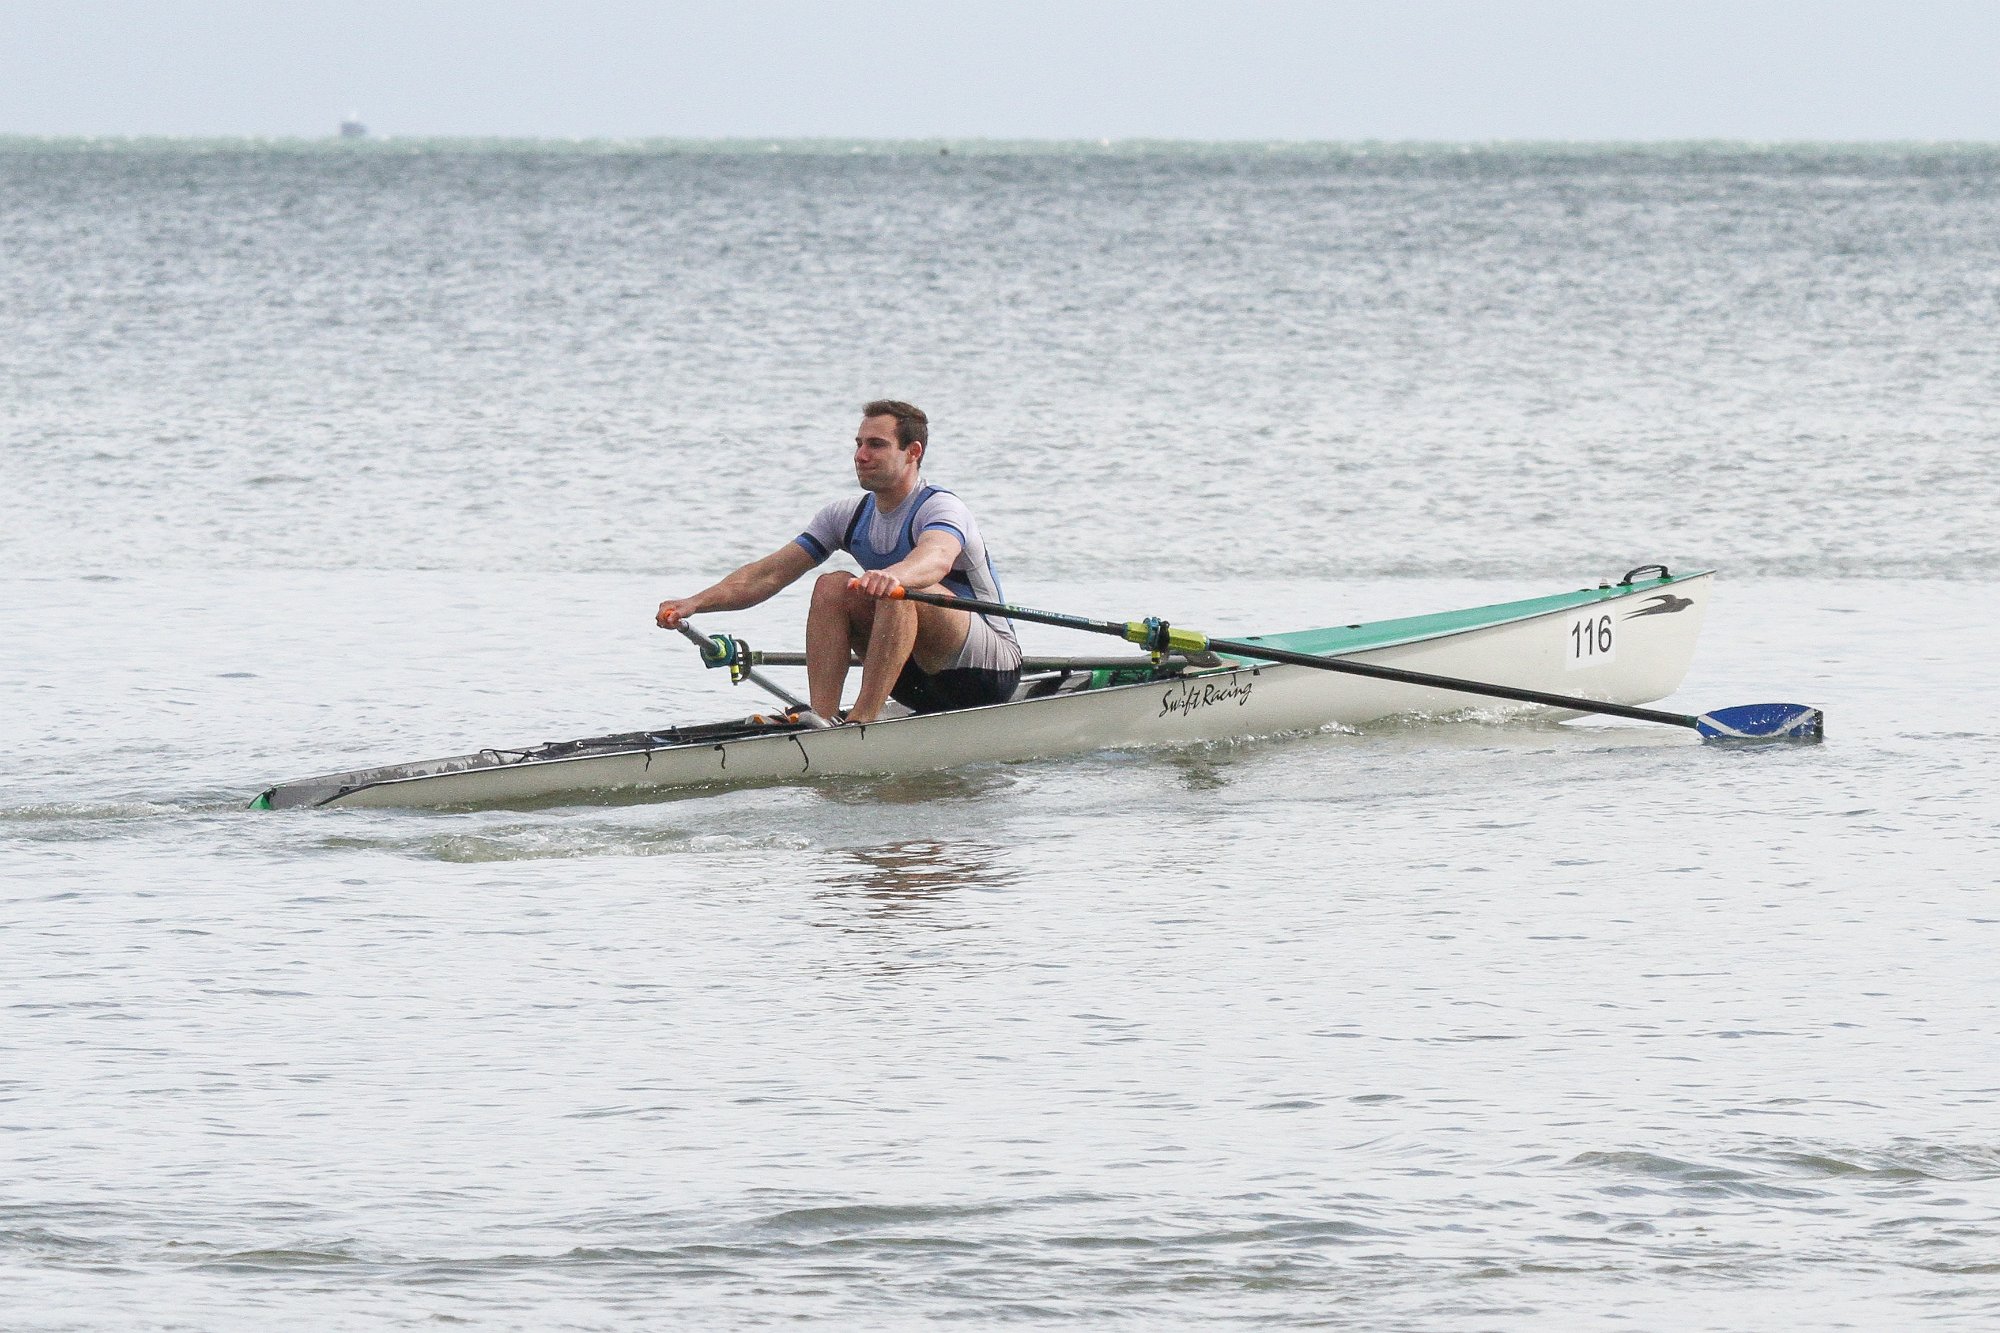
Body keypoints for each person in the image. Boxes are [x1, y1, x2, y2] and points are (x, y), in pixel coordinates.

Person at [655, 401, 1021, 724]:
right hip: (912, 681)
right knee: (832, 585)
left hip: (987, 673)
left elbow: (935, 559)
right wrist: (696, 603)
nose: (861, 455)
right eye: (859, 444)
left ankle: (861, 721)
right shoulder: (846, 516)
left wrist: (892, 576)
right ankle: (823, 718)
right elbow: (767, 575)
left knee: (902, 590)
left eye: (876, 445)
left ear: (912, 452)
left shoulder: (941, 507)